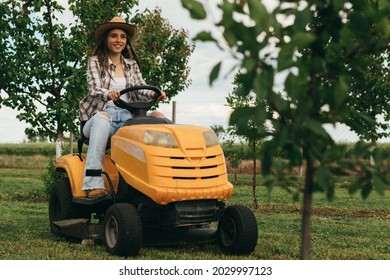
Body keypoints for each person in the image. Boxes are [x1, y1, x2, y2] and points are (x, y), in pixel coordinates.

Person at [79, 16, 166, 198]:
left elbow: (141, 86)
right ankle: (92, 184)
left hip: (127, 117)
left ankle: (160, 179)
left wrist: (155, 94)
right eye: (114, 36)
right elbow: (94, 88)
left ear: (126, 41)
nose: (118, 40)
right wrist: (108, 94)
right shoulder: (95, 62)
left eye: (122, 37)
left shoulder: (131, 65)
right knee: (102, 121)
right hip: (100, 116)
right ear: (106, 39)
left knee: (158, 118)